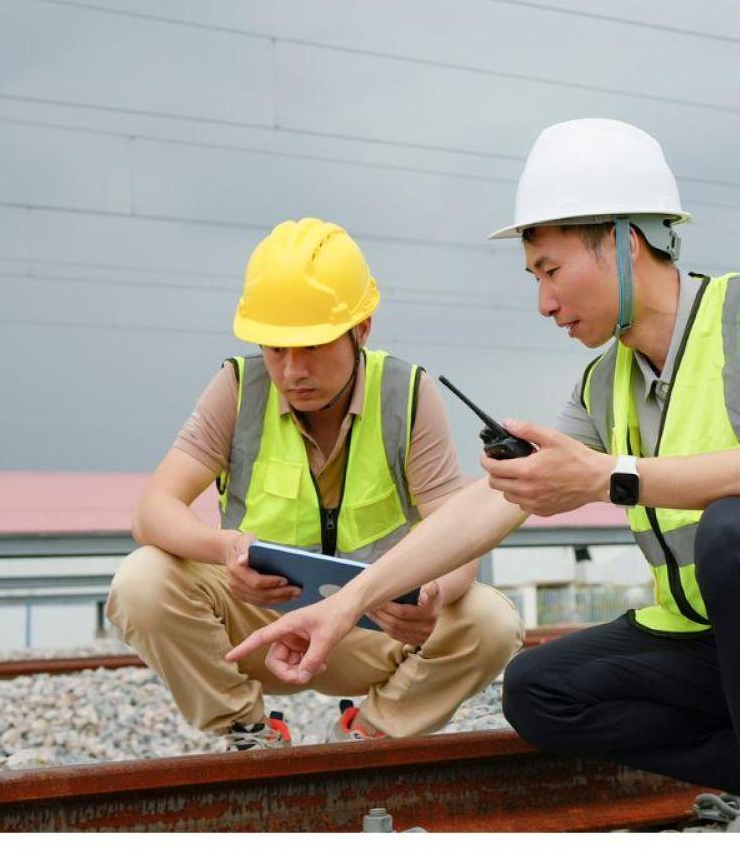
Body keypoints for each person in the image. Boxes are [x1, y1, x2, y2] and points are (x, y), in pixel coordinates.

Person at [227, 120, 740, 830]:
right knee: (542, 690)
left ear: (622, 241)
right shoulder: (602, 385)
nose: (543, 301)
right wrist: (347, 598)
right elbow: (489, 503)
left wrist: (606, 477)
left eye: (550, 271)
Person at [107, 218, 522, 750]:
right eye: (276, 349)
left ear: (362, 329)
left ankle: (368, 734)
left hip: (375, 626)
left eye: (311, 347)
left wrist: (431, 594)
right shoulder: (237, 388)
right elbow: (153, 512)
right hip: (259, 624)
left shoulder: (407, 395)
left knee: (490, 622)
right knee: (143, 580)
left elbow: (460, 533)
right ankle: (247, 732)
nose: (292, 370)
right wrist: (228, 549)